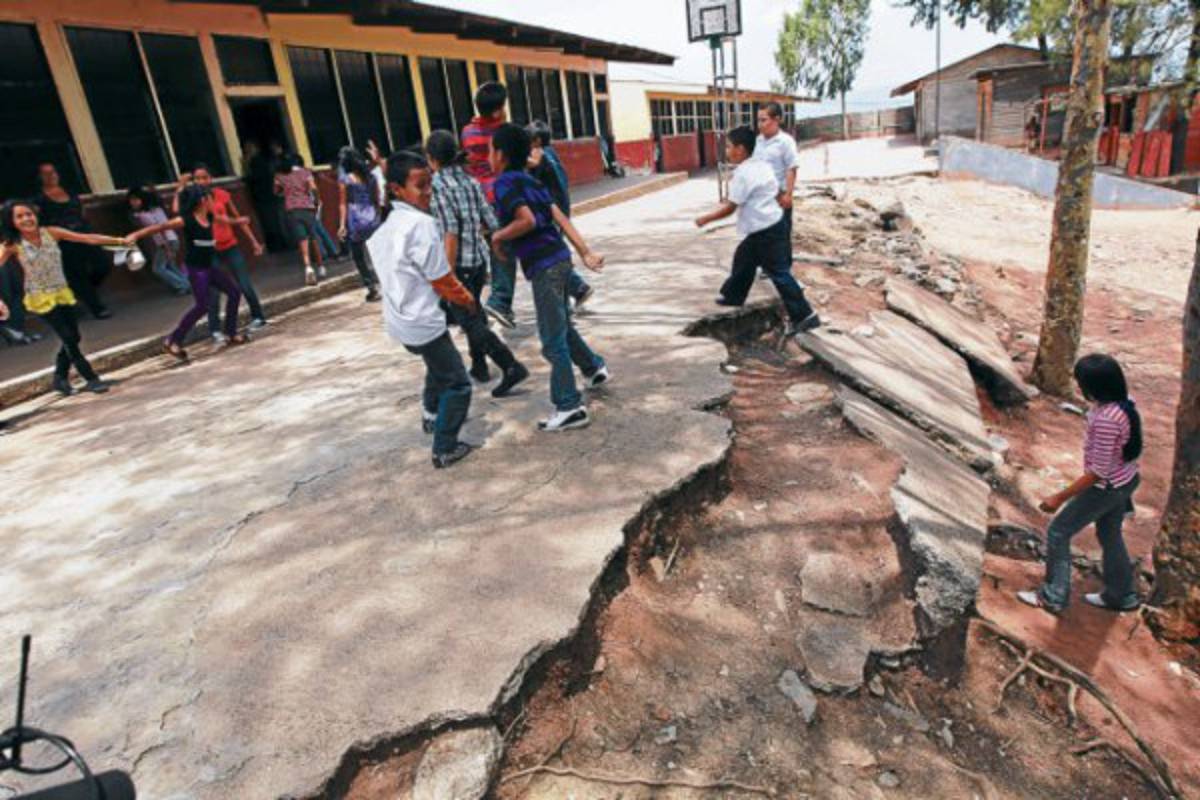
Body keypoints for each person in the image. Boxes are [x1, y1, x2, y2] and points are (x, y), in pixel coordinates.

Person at [489, 123, 608, 432]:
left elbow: (526, 221)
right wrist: (584, 252)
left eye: (490, 149)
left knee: (551, 340)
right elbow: (559, 217)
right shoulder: (531, 181)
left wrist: (498, 237)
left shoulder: (504, 183)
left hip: (544, 267)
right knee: (562, 326)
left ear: (499, 155)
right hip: (560, 260)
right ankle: (593, 368)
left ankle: (569, 406)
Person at [367, 150, 478, 469]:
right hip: (421, 321)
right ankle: (444, 446)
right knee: (458, 383)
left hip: (399, 321)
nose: (428, 192)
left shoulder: (386, 229)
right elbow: (441, 278)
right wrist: (466, 299)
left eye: (430, 184)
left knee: (437, 363)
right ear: (397, 190)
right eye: (420, 186)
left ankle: (431, 413)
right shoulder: (421, 224)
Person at [1018, 354, 1143, 614]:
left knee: (1058, 532)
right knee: (1109, 534)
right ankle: (1122, 595)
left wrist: (1058, 497)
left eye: (1080, 382)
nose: (1078, 386)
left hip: (1106, 488)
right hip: (1125, 480)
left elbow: (1098, 472)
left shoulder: (1107, 419)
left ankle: (1053, 596)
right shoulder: (1123, 404)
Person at [425, 130, 529, 396]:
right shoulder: (469, 180)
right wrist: (495, 240)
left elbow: (450, 232)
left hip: (458, 263)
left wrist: (446, 275)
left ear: (432, 159)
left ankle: (510, 365)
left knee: (470, 321)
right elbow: (490, 218)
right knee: (474, 312)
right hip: (479, 260)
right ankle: (479, 365)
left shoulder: (438, 184)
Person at [694, 125, 820, 338]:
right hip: (769, 225)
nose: (727, 151)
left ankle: (805, 315)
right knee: (743, 257)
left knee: (779, 273)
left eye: (729, 147)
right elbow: (775, 188)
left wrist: (705, 219)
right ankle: (733, 296)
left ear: (741, 150)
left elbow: (730, 207)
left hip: (766, 230)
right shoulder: (761, 165)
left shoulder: (742, 174)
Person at [0, 200, 124, 395]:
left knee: (73, 336)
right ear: (11, 221)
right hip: (40, 297)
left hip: (61, 291)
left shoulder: (51, 232)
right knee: (67, 336)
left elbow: (86, 238)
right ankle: (91, 378)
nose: (26, 219)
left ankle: (59, 377)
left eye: (29, 214)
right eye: (20, 216)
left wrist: (117, 241)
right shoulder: (12, 244)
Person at [132, 185, 248, 361]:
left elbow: (223, 219)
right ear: (202, 201)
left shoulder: (209, 216)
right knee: (202, 306)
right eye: (210, 198)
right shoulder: (187, 220)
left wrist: (238, 222)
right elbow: (159, 227)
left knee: (234, 293)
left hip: (210, 267)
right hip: (197, 270)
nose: (212, 202)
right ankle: (173, 340)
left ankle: (231, 333)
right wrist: (134, 235)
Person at [174, 164, 268, 339]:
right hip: (210, 252)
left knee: (243, 283)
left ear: (210, 178)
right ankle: (215, 329)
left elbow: (237, 219)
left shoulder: (222, 195)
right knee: (213, 292)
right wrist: (180, 186)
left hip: (230, 245)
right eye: (197, 178)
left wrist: (254, 241)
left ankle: (258, 316)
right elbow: (177, 211)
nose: (201, 181)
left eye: (204, 177)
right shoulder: (193, 199)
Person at [461, 81, 519, 329]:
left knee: (500, 247)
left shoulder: (467, 132)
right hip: (501, 196)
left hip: (478, 199)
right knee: (505, 251)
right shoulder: (503, 133)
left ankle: (577, 287)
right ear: (497, 111)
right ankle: (500, 301)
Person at [526, 121, 593, 309]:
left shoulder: (540, 157)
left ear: (537, 140)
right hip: (561, 209)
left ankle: (577, 288)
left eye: (528, 140)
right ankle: (576, 289)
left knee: (551, 256)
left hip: (551, 213)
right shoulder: (552, 153)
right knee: (554, 253)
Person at [35, 162, 112, 319]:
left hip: (84, 235)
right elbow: (40, 224)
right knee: (78, 274)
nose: (51, 176)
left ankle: (83, 292)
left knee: (103, 264)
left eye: (53, 172)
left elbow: (81, 211)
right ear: (40, 177)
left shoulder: (70, 192)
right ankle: (97, 308)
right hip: (63, 241)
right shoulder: (39, 200)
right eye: (46, 173)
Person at [336, 146, 382, 302]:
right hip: (372, 216)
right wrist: (378, 217)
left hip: (356, 220)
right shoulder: (371, 177)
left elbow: (342, 203)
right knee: (379, 253)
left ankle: (371, 287)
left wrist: (342, 225)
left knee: (358, 255)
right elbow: (376, 199)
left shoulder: (346, 180)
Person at [127, 186, 191, 296]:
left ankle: (183, 284)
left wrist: (166, 247)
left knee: (158, 268)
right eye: (131, 200)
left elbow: (161, 229)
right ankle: (185, 284)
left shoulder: (144, 215)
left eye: (135, 199)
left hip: (166, 242)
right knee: (170, 265)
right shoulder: (157, 210)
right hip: (171, 240)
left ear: (143, 199)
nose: (132, 202)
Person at [274, 153, 325, 286]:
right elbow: (313, 188)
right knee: (313, 238)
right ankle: (320, 267)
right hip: (307, 208)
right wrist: (317, 201)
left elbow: (276, 191)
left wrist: (285, 191)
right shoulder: (305, 172)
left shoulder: (279, 176)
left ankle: (308, 267)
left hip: (292, 210)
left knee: (302, 240)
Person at [753, 103, 799, 243]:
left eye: (763, 120)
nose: (760, 124)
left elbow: (791, 168)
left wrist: (788, 195)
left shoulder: (786, 142)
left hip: (779, 199)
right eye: (758, 120)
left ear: (777, 119)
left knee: (780, 240)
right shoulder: (758, 141)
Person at [246, 140, 289, 253]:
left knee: (271, 222)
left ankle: (278, 246)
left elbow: (255, 178)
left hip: (265, 197)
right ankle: (282, 244)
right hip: (270, 196)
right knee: (276, 221)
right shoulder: (265, 162)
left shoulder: (256, 162)